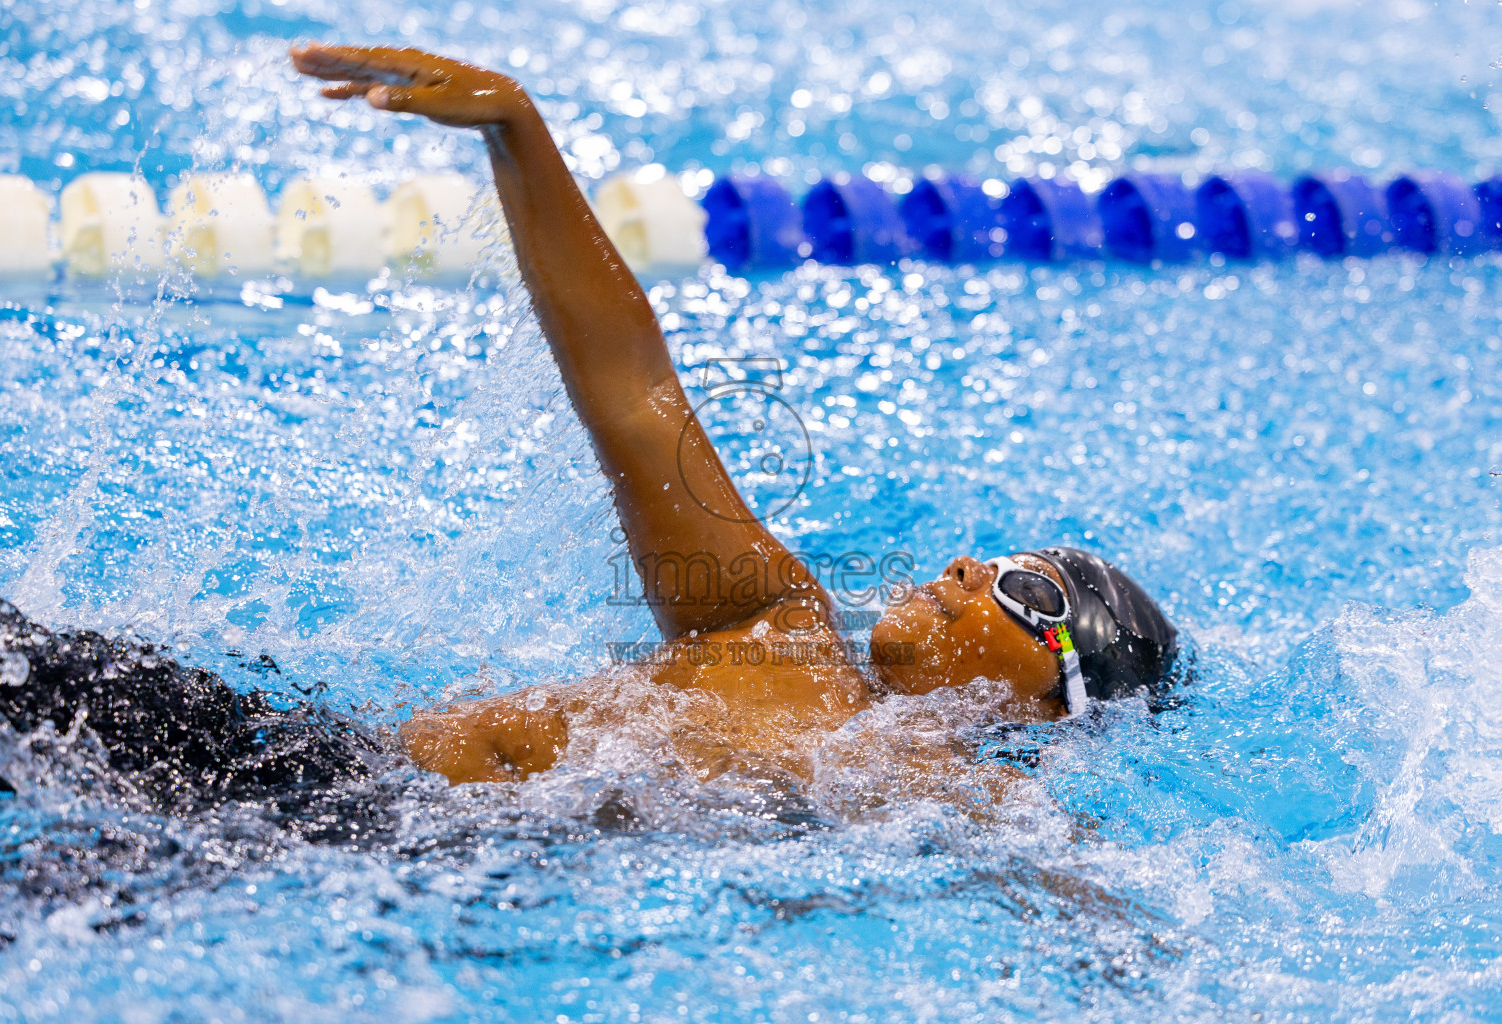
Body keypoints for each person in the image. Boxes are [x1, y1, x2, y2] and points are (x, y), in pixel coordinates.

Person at [286, 43, 1180, 792]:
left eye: (1029, 590)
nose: (965, 565)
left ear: (1050, 704)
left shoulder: (944, 790)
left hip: (384, 853)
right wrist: (516, 129)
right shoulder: (772, 618)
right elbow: (633, 394)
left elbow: (1083, 894)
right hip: (320, 761)